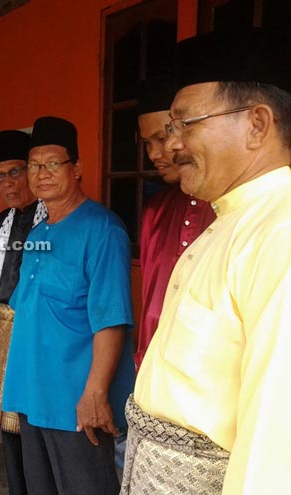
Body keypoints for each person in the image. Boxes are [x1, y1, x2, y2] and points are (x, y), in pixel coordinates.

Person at [122, 29, 291, 494]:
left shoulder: (279, 232)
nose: (171, 146)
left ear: (257, 124)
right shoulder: (227, 220)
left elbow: (275, 437)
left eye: (185, 124)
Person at [1, 116, 134, 495]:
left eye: (53, 163)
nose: (42, 173)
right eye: (34, 165)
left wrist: (95, 394)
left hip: (76, 402)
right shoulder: (38, 234)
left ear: (76, 169)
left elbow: (111, 320)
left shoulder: (102, 229)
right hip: (32, 394)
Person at [0, 129, 45, 495]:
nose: (8, 182)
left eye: (15, 171)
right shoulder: (1, 222)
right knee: (9, 427)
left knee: (35, 424)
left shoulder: (54, 216)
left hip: (38, 332)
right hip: (3, 330)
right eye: (0, 176)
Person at [135, 78, 215, 370]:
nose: (155, 153)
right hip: (150, 373)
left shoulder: (228, 210)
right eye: (147, 143)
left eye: (161, 137)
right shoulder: (154, 213)